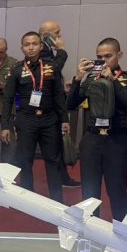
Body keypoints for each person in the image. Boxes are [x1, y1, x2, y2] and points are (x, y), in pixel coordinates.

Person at [70, 37, 127, 221]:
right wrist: (78, 79)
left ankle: (122, 232)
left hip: (116, 141)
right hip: (92, 139)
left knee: (117, 190)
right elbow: (70, 105)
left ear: (119, 55)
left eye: (108, 56)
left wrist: (112, 80)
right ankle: (90, 231)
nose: (103, 60)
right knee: (89, 192)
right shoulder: (91, 78)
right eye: (99, 57)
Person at [1, 32, 68, 202]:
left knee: (53, 160)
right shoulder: (16, 69)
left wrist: (64, 119)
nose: (31, 47)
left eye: (34, 43)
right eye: (27, 44)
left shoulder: (52, 67)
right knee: (25, 160)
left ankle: (57, 200)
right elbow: (8, 99)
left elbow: (58, 95)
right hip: (26, 120)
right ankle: (27, 198)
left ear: (41, 46)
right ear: (22, 48)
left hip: (49, 120)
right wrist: (5, 126)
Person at [39, 21, 80, 188]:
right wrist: (62, 51)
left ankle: (62, 177)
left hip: (51, 103)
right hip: (45, 108)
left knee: (57, 144)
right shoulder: (42, 50)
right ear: (46, 36)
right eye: (57, 33)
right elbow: (53, 70)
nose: (60, 36)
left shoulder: (48, 50)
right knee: (51, 146)